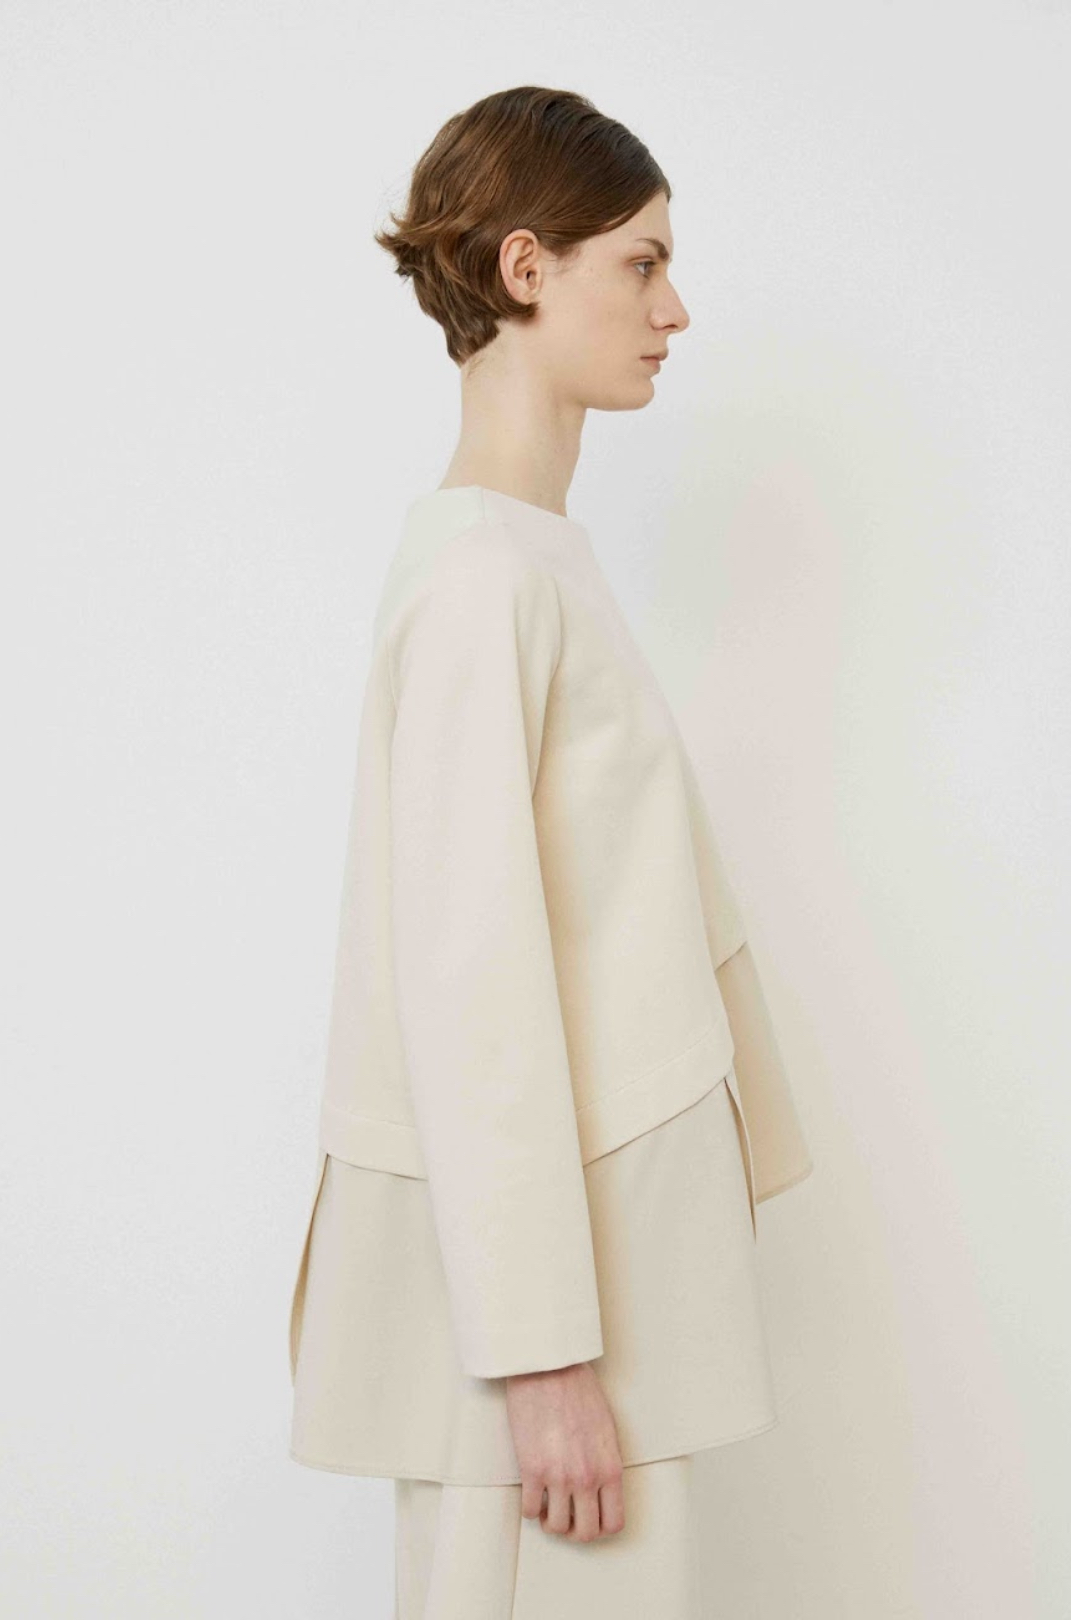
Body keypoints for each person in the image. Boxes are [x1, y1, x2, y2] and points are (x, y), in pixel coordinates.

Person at [286, 85, 813, 1618]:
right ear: (526, 267)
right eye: (640, 264)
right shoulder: (482, 581)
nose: (673, 310)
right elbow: (470, 992)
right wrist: (540, 1361)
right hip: (552, 1338)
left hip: (605, 1285)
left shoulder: (528, 560)